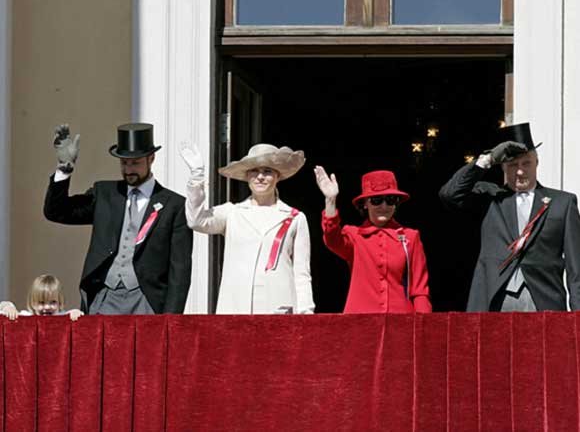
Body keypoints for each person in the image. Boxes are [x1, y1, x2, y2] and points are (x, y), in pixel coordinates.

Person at [44, 123, 193, 314]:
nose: (128, 169)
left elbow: (180, 270)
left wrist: (170, 319)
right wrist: (64, 170)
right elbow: (56, 211)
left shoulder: (174, 205)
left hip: (148, 301)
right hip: (104, 297)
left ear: (151, 159)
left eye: (135, 163)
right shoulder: (104, 193)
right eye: (124, 163)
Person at [439, 122, 580, 311]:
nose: (520, 171)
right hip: (494, 301)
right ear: (503, 167)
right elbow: (449, 194)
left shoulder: (562, 203)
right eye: (513, 165)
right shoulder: (490, 197)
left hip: (544, 302)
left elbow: (576, 268)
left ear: (537, 163)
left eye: (526, 163)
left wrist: (577, 316)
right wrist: (488, 159)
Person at [181, 143, 315, 314]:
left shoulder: (295, 217)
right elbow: (196, 221)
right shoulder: (232, 213)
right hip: (236, 307)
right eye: (254, 171)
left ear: (278, 176)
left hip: (279, 307)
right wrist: (196, 177)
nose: (260, 177)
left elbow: (302, 273)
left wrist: (306, 312)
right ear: (246, 176)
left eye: (267, 171)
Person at [314, 166, 432, 313]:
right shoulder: (354, 236)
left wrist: (424, 323)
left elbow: (420, 290)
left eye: (390, 200)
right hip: (360, 320)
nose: (384, 206)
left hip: (401, 320)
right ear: (365, 203)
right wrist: (330, 200)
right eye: (377, 200)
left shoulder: (410, 237)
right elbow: (332, 240)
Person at [0, 275, 83, 321]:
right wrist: (9, 308)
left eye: (53, 302)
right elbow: (3, 305)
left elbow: (74, 314)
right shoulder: (28, 316)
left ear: (60, 303)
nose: (47, 307)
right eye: (41, 302)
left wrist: (76, 313)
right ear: (32, 303)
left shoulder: (61, 317)